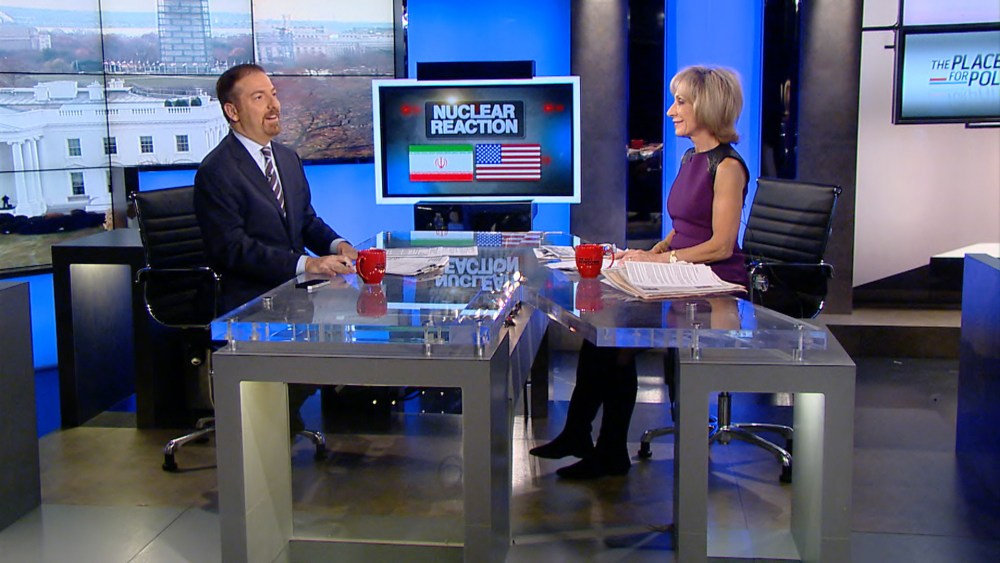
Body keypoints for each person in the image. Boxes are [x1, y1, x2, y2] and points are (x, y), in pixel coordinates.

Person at [529, 65, 749, 479]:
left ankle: (605, 448)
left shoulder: (728, 167)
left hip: (714, 284)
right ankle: (582, 436)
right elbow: (685, 225)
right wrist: (653, 250)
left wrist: (663, 261)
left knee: (616, 340)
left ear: (707, 106)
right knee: (603, 331)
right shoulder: (691, 158)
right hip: (681, 273)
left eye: (680, 102)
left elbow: (721, 245)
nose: (671, 111)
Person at [194, 63, 358, 432]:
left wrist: (339, 245)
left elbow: (306, 221)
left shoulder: (286, 158)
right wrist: (307, 265)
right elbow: (232, 248)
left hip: (294, 294)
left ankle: (287, 419)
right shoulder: (217, 171)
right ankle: (267, 430)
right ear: (232, 111)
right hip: (249, 301)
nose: (274, 105)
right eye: (259, 97)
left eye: (273, 94)